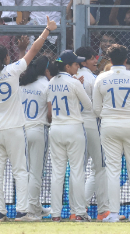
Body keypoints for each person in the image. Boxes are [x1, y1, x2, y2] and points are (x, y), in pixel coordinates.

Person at [0, 17, 57, 221]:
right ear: (7, 59)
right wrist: (47, 31)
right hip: (14, 128)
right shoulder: (12, 71)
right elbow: (33, 49)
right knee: (20, 170)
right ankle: (22, 211)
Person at [93, 44, 130, 222]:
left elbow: (96, 108)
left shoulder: (101, 78)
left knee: (113, 170)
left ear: (109, 60)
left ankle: (114, 214)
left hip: (109, 125)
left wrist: (109, 117)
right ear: (126, 59)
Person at [45, 50, 92, 222]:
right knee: (77, 171)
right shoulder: (74, 82)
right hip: (73, 128)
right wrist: (77, 87)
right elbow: (88, 106)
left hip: (56, 128)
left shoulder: (50, 82)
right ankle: (78, 212)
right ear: (67, 66)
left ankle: (55, 214)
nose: (78, 66)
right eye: (75, 64)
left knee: (57, 173)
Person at [17, 56, 51, 221]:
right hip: (38, 129)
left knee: (24, 172)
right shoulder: (47, 84)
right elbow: (50, 114)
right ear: (46, 69)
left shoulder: (22, 84)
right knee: (36, 173)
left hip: (21, 130)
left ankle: (33, 207)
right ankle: (31, 211)